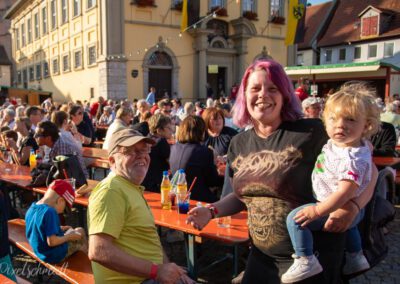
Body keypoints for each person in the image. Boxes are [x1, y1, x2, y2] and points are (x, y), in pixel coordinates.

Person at [186, 60, 377, 283]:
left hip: (312, 259)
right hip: (261, 256)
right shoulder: (239, 143)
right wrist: (211, 211)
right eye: (255, 88)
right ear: (244, 96)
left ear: (285, 95)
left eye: (272, 88)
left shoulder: (312, 131)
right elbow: (242, 196)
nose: (263, 95)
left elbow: (368, 168)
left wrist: (353, 207)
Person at [281, 83, 380, 283]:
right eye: (333, 119)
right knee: (350, 228)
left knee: (295, 219)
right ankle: (355, 256)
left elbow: (346, 191)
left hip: (336, 204)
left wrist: (318, 211)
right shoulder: (344, 145)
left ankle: (305, 259)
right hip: (339, 204)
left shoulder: (352, 157)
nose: (340, 125)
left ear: (366, 126)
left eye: (350, 120)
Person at [87, 128, 193, 283]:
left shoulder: (129, 187)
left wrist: (171, 271)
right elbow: (99, 250)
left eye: (145, 151)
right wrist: (157, 271)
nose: (142, 156)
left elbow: (149, 240)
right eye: (131, 151)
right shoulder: (111, 190)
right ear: (112, 161)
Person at [25, 180, 86, 264]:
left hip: (40, 252)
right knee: (80, 231)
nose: (63, 211)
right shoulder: (50, 212)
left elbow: (39, 228)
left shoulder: (32, 208)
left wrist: (59, 228)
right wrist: (68, 236)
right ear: (60, 200)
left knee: (73, 232)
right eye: (65, 208)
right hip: (53, 255)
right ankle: (87, 263)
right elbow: (52, 242)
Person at [170, 116, 222, 203]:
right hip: (196, 198)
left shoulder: (173, 148)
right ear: (201, 132)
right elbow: (212, 181)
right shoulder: (204, 151)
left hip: (177, 195)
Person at [142, 114, 173, 192]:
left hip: (144, 181)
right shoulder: (161, 142)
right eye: (169, 128)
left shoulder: (147, 138)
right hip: (157, 184)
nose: (171, 131)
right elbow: (172, 162)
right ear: (159, 130)